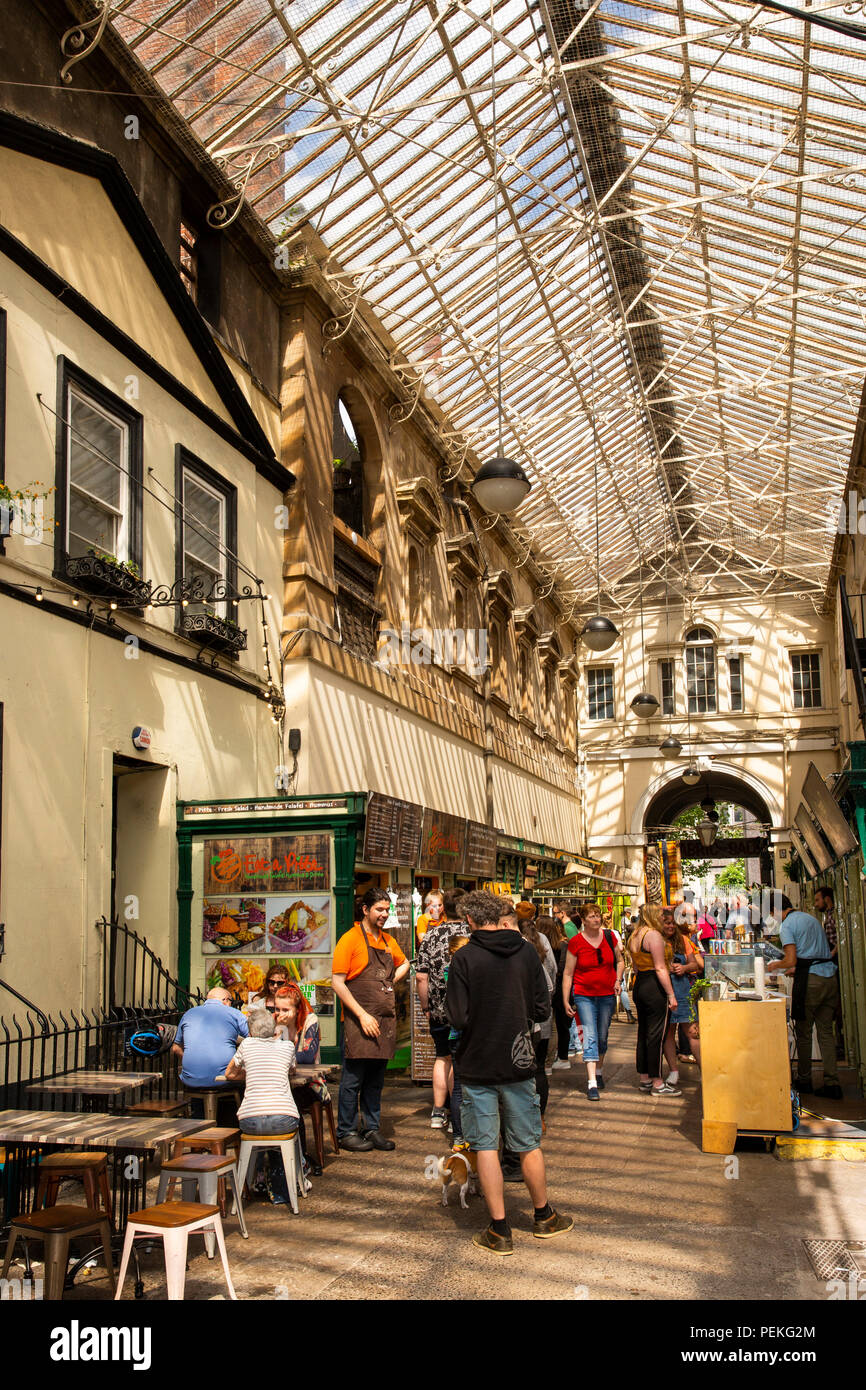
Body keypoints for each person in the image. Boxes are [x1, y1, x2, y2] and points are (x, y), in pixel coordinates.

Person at [445, 889, 572, 1255]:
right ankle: (544, 1216)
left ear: (469, 920)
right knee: (528, 1142)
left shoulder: (464, 958)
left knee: (485, 1144)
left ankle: (499, 1230)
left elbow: (458, 1016)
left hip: (477, 1063)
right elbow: (541, 1007)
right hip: (519, 1062)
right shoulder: (527, 952)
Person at [331, 887, 410, 1150]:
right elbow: (337, 983)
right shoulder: (350, 939)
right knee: (352, 1081)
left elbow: (405, 963)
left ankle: (371, 1128)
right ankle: (346, 1131)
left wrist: (390, 980)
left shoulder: (388, 941)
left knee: (376, 1081)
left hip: (384, 1022)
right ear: (365, 910)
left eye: (387, 910)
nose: (384, 914)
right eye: (379, 909)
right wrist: (362, 1015)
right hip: (358, 1021)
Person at [224, 1008, 301, 1205]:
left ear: (250, 1032)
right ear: (275, 1029)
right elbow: (291, 1070)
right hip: (283, 1118)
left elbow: (229, 1074)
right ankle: (290, 1188)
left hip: (250, 1120)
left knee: (256, 1138)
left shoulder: (247, 1045)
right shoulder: (287, 1046)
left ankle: (249, 1187)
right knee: (291, 1136)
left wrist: (249, 1073)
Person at [767, 895, 841, 1099]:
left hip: (811, 982)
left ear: (775, 909)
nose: (772, 917)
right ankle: (832, 1083)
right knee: (826, 1032)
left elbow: (791, 958)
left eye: (771, 913)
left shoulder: (787, 926)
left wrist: (775, 965)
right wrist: (794, 968)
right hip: (829, 977)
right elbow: (815, 952)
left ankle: (805, 1079)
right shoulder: (811, 919)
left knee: (804, 1031)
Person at [415, 887, 468, 1134]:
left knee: (442, 1056)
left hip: (438, 1009)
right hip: (466, 1010)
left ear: (443, 908)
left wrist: (426, 1006)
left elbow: (421, 977)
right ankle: (457, 1110)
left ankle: (438, 1111)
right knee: (460, 1059)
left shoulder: (432, 935)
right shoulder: (472, 934)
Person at [563, 902, 624, 1100]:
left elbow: (620, 960)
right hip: (584, 995)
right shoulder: (576, 942)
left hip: (607, 994)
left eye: (597, 915)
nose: (596, 919)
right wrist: (566, 999)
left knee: (602, 1036)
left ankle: (598, 1071)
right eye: (591, 916)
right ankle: (591, 1083)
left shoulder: (609, 937)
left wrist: (618, 979)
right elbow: (568, 973)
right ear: (583, 920)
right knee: (589, 1035)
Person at [274, 982, 330, 1176]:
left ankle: (301, 1156)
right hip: (280, 1083)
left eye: (286, 1009)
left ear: (297, 1009)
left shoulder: (310, 1020)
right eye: (277, 1009)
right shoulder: (274, 1023)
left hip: (310, 1084)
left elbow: (307, 1056)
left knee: (293, 1102)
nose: (280, 1013)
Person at [628, 905, 680, 1096]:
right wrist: (671, 994)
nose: (662, 917)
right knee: (656, 1034)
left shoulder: (635, 936)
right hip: (654, 986)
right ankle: (658, 1082)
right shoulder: (653, 936)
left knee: (644, 1032)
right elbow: (660, 968)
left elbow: (635, 966)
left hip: (640, 983)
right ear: (652, 916)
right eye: (659, 914)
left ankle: (645, 1078)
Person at [172, 987, 249, 1113]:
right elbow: (255, 1038)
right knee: (247, 1075)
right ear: (226, 1000)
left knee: (199, 1085)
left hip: (190, 1079)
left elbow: (175, 1048)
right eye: (231, 1002)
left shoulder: (189, 1013)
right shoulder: (233, 1013)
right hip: (222, 1078)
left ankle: (197, 1119)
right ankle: (234, 1120)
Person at [660, 906, 703, 1079]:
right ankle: (673, 1071)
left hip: (683, 991)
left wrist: (684, 967)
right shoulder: (656, 940)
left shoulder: (683, 940)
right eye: (667, 923)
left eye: (673, 923)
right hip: (664, 993)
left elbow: (696, 965)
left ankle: (704, 1070)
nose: (670, 926)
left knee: (693, 1032)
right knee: (668, 1032)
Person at [537, 914, 572, 1067]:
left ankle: (545, 1060)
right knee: (560, 1025)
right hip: (562, 985)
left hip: (548, 987)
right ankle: (561, 1057)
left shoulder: (538, 945)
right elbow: (563, 967)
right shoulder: (562, 944)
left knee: (547, 1024)